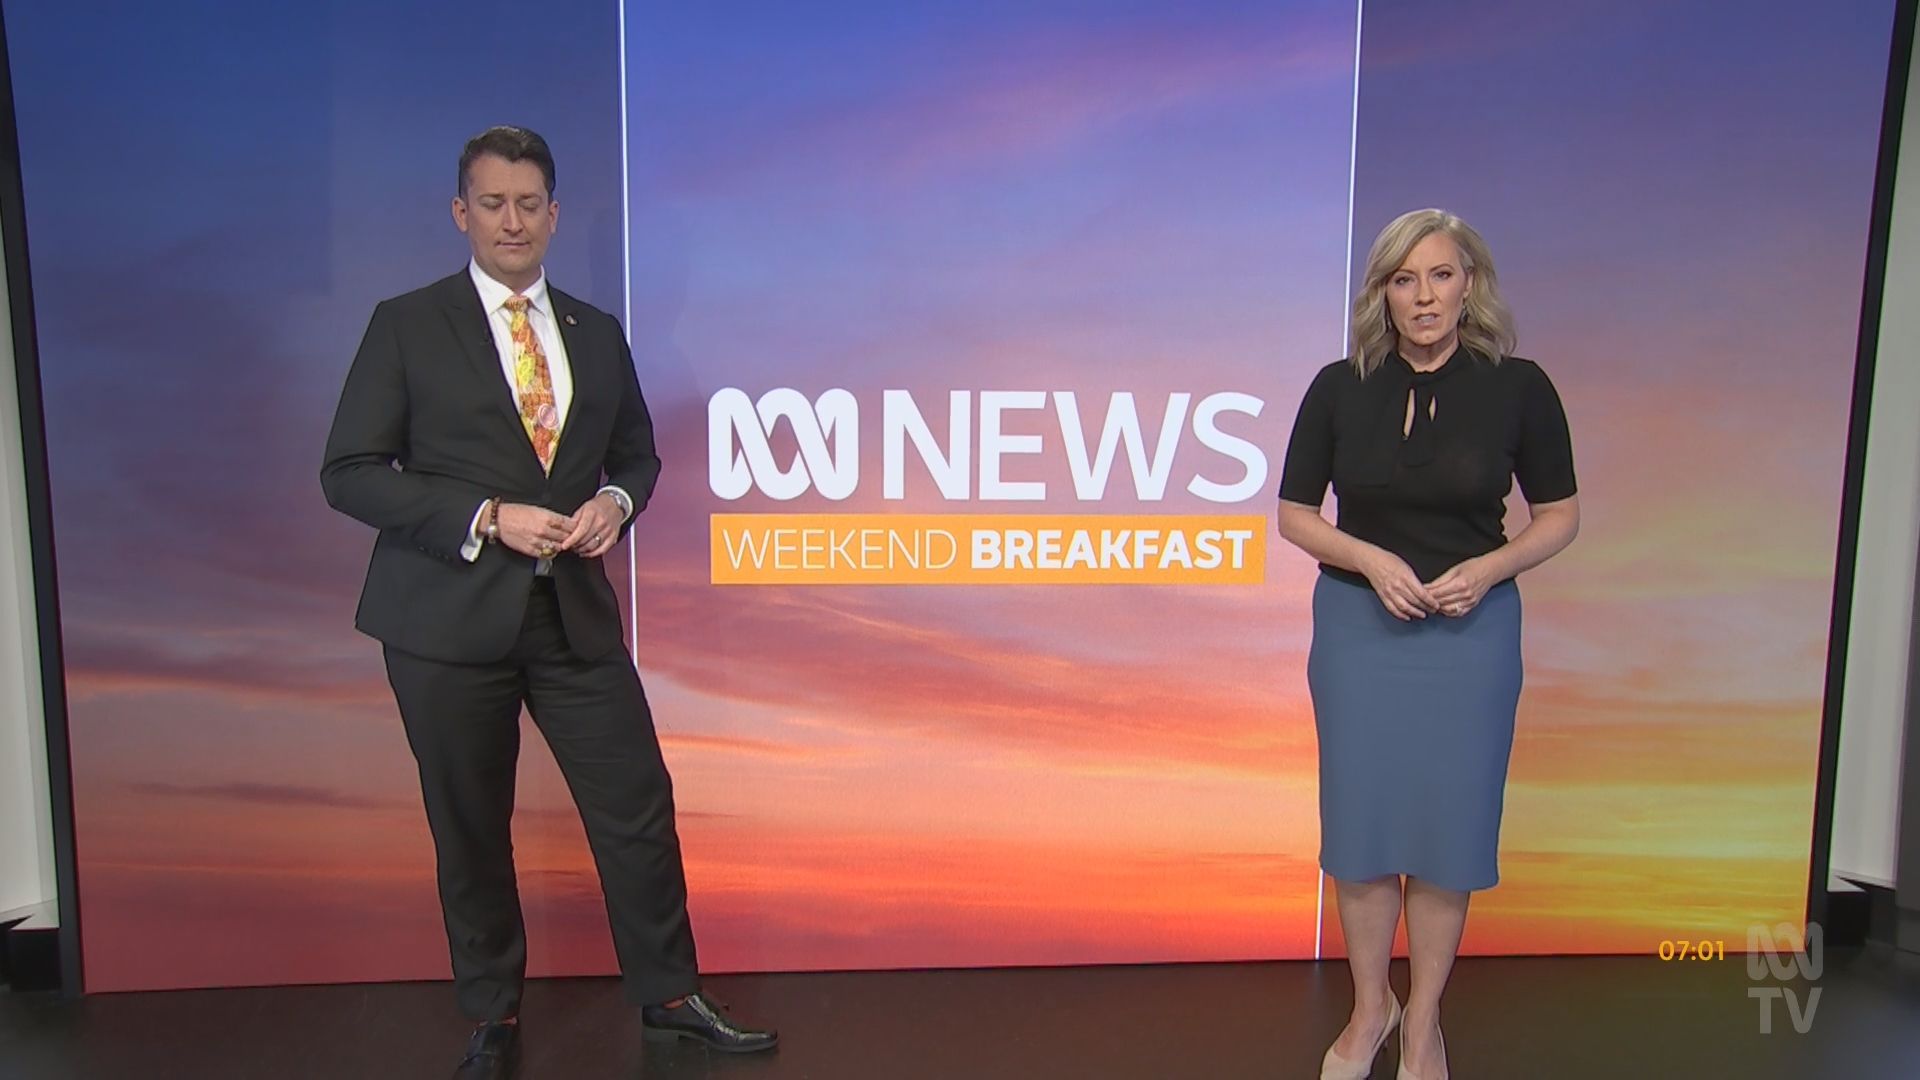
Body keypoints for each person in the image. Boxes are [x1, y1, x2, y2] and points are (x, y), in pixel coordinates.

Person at [321, 126, 776, 1079]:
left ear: (554, 215)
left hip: (571, 616)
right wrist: (485, 516)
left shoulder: (595, 333)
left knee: (637, 806)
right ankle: (492, 1016)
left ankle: (671, 996)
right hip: (444, 623)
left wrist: (617, 503)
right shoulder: (406, 324)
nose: (512, 221)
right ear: (462, 213)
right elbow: (350, 471)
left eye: (529, 204)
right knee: (471, 827)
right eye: (493, 204)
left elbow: (638, 456)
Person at [1276, 208, 1580, 1080]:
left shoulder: (1520, 387)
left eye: (1440, 276)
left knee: (1449, 832)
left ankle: (1425, 1023)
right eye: (1403, 280)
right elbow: (1295, 515)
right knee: (1364, 829)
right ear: (1382, 293)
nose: (1423, 297)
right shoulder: (1339, 387)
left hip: (1471, 636)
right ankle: (1371, 1009)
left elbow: (1558, 517)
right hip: (1359, 632)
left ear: (1469, 285)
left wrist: (1489, 569)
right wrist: (1369, 560)